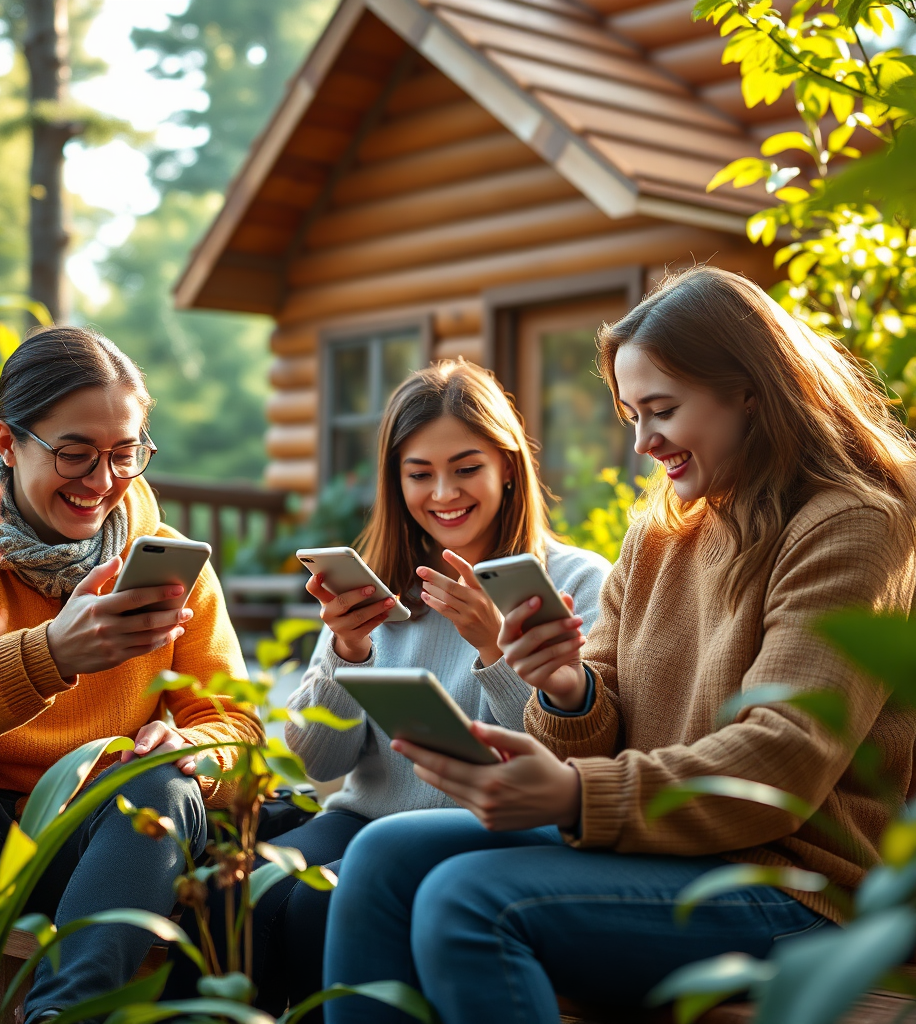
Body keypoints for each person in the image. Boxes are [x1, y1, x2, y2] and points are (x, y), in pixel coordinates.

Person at [321, 267, 916, 1024]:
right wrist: (568, 688)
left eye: (662, 410)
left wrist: (574, 795)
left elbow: (783, 761)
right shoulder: (664, 529)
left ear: (750, 390)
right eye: (633, 414)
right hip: (661, 851)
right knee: (382, 855)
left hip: (790, 886)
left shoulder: (853, 524)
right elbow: (599, 712)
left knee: (470, 902)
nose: (643, 442)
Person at [182, 360, 610, 1015]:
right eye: (419, 474)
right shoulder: (379, 586)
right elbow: (313, 761)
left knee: (318, 903)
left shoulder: (577, 584)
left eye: (467, 469)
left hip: (491, 832)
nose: (444, 493)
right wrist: (350, 653)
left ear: (508, 467)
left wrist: (493, 649)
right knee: (234, 887)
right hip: (362, 819)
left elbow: (569, 758)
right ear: (395, 479)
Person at [0, 326, 264, 1024]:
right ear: (7, 443)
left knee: (163, 783)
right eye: (75, 454)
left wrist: (198, 753)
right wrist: (51, 655)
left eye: (126, 453)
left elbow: (237, 724)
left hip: (98, 844)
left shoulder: (173, 565)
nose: (102, 482)